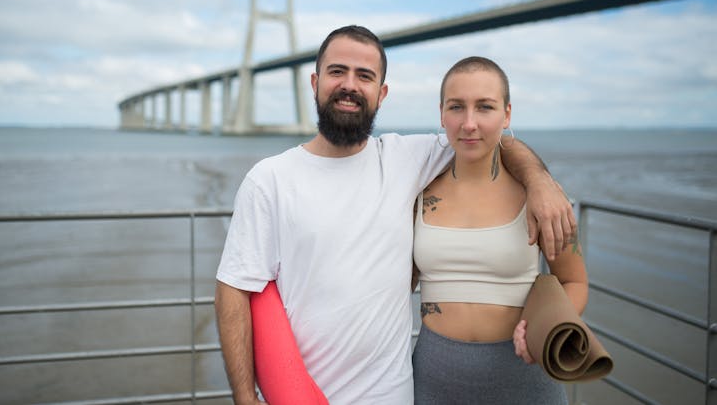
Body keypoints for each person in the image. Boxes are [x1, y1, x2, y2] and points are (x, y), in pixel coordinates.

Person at [215, 26, 576, 405]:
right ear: (315, 81)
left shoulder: (406, 158)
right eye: (338, 71)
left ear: (382, 93)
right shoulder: (269, 179)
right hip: (301, 393)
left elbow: (487, 137)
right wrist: (244, 397)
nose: (349, 85)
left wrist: (539, 181)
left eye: (365, 76)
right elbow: (233, 291)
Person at [412, 56, 588, 404]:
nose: (469, 123)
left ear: (507, 114)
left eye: (485, 107)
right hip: (434, 378)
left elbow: (575, 281)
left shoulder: (542, 200)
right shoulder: (417, 192)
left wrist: (546, 329)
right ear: (441, 114)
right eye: (457, 107)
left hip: (525, 377)